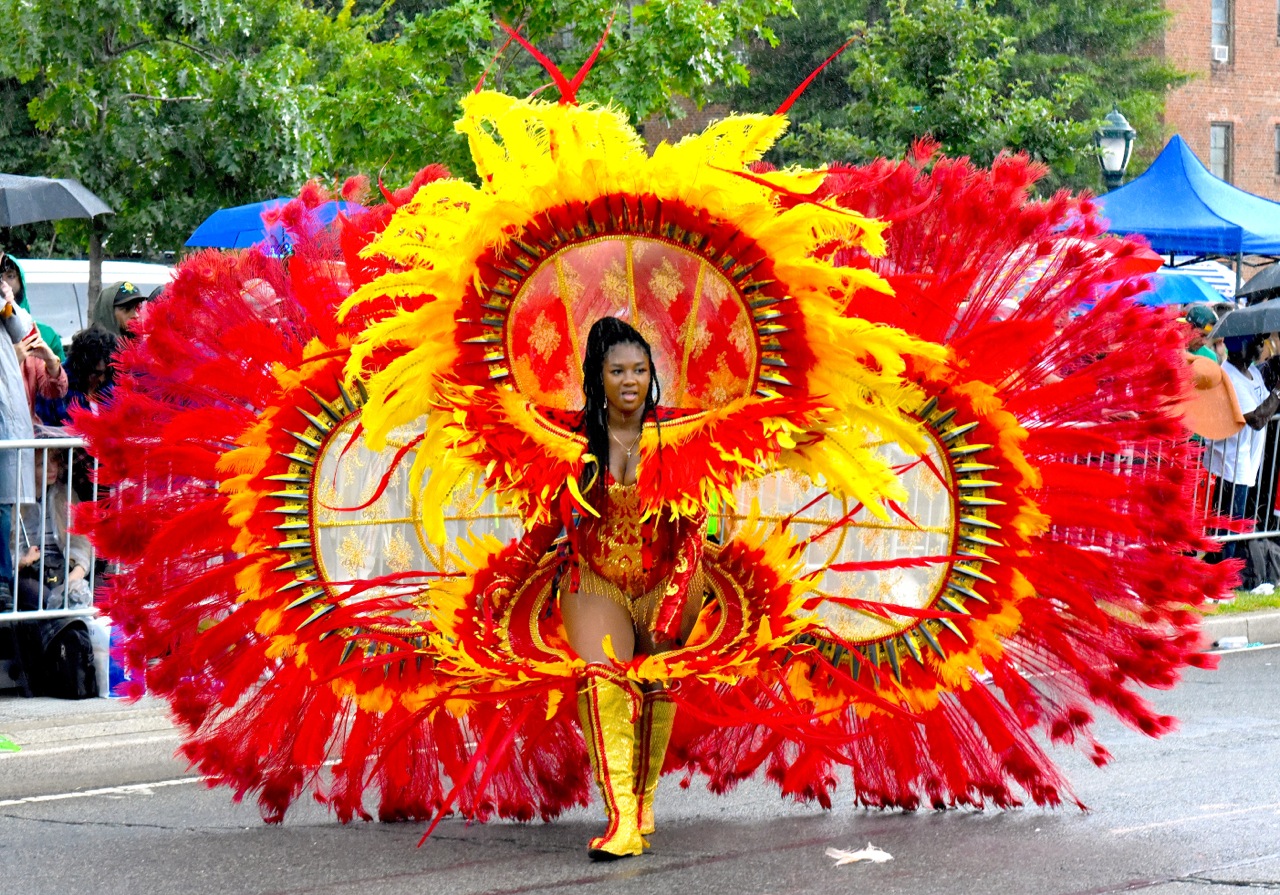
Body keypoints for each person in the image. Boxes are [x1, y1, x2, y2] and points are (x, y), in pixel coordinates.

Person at [511, 317, 703, 860]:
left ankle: (644, 799)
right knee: (603, 672)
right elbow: (548, 516)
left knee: (659, 670)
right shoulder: (570, 437)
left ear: (652, 375)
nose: (630, 380)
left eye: (640, 370)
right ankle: (621, 819)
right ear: (598, 375)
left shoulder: (680, 434)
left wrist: (670, 606)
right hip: (593, 572)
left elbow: (694, 529)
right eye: (617, 370)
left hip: (670, 570)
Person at [1205, 333, 1280, 552]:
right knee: (1230, 524)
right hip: (1230, 463)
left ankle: (1232, 565)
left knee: (1239, 521)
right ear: (1242, 346)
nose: (1260, 346)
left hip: (1248, 461)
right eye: (1256, 342)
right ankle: (1225, 566)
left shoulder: (1253, 372)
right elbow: (1256, 418)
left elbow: (1268, 406)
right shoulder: (1230, 377)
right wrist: (1278, 389)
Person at [36, 326, 117, 428]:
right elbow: (44, 431)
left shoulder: (110, 387)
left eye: (107, 373)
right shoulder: (56, 386)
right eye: (96, 373)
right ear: (82, 367)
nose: (102, 379)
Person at [0, 253, 66, 362]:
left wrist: (53, 365)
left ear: (21, 282)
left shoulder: (46, 335)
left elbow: (63, 377)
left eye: (10, 276)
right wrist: (11, 359)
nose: (4, 282)